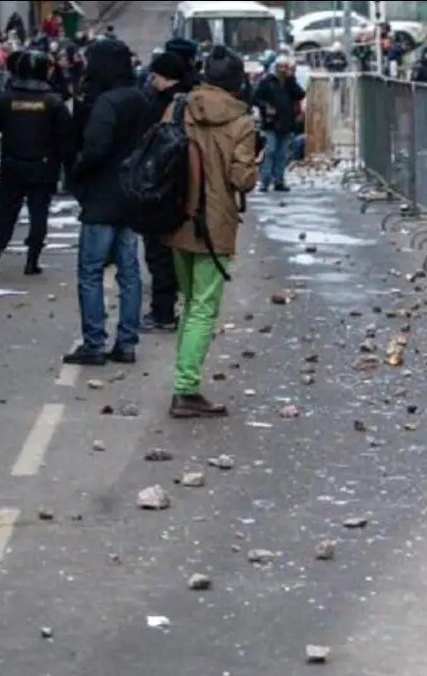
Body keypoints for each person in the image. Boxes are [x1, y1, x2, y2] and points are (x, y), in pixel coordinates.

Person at [161, 45, 256, 418]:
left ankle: (183, 382)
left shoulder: (179, 107)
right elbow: (242, 179)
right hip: (214, 224)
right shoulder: (242, 122)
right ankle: (185, 389)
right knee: (203, 307)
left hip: (177, 215)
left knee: (189, 302)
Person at [64, 36, 149, 366]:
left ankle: (94, 343)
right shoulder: (139, 98)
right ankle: (126, 342)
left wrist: (77, 173)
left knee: (91, 271)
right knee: (129, 272)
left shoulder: (105, 103)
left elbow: (95, 148)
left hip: (102, 196)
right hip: (132, 195)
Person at [0, 50, 72, 277]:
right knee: (38, 214)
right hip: (43, 166)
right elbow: (66, 137)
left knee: (5, 213)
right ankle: (32, 261)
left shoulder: (6, 99)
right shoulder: (53, 102)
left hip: (12, 164)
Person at [138, 50, 188, 333]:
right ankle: (178, 307)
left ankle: (163, 312)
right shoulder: (191, 100)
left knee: (158, 253)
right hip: (185, 187)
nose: (152, 80)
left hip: (160, 186)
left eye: (155, 76)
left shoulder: (159, 104)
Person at [251, 55, 303, 192]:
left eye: (285, 67)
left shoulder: (289, 83)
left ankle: (279, 180)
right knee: (270, 150)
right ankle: (265, 181)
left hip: (286, 123)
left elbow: (300, 94)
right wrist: (266, 106)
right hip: (271, 123)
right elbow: (255, 98)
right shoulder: (267, 81)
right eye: (281, 67)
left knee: (282, 153)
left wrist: (291, 80)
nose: (283, 70)